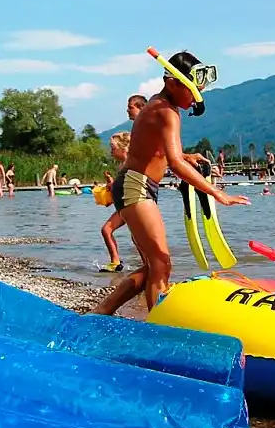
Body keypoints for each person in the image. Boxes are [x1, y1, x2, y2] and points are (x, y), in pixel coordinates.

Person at [91, 51, 249, 314]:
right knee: (161, 264)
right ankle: (156, 326)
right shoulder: (166, 111)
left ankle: (100, 313)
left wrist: (187, 155)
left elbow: (154, 150)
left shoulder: (160, 105)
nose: (196, 97)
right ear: (172, 83)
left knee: (153, 266)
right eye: (193, 91)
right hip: (135, 186)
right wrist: (217, 193)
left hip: (136, 185)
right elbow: (174, 164)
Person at [99, 95, 147, 272]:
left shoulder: (131, 163)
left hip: (132, 204)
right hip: (124, 206)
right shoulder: (122, 165)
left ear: (123, 148)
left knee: (123, 233)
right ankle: (126, 262)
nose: (111, 153)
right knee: (134, 236)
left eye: (113, 149)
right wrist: (110, 184)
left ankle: (141, 264)